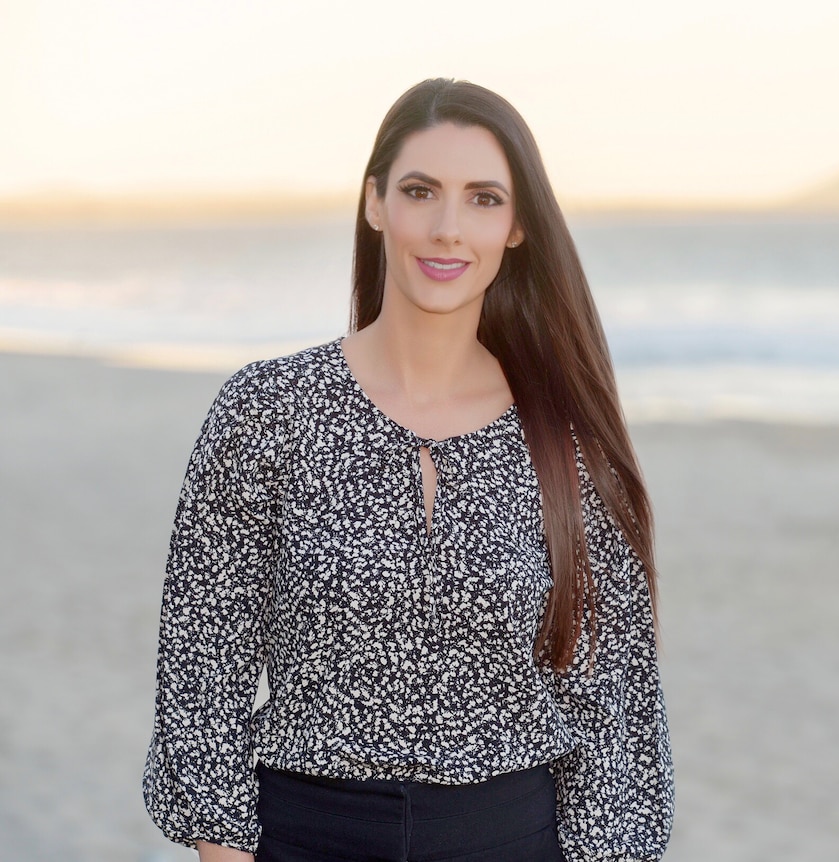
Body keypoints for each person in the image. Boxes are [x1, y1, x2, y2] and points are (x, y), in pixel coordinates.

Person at [143, 78, 674, 862]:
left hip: (510, 839)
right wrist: (222, 847)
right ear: (374, 203)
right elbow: (202, 659)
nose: (448, 228)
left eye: (484, 199)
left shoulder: (566, 441)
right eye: (421, 191)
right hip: (301, 834)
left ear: (519, 226)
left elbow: (611, 704)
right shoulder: (268, 409)